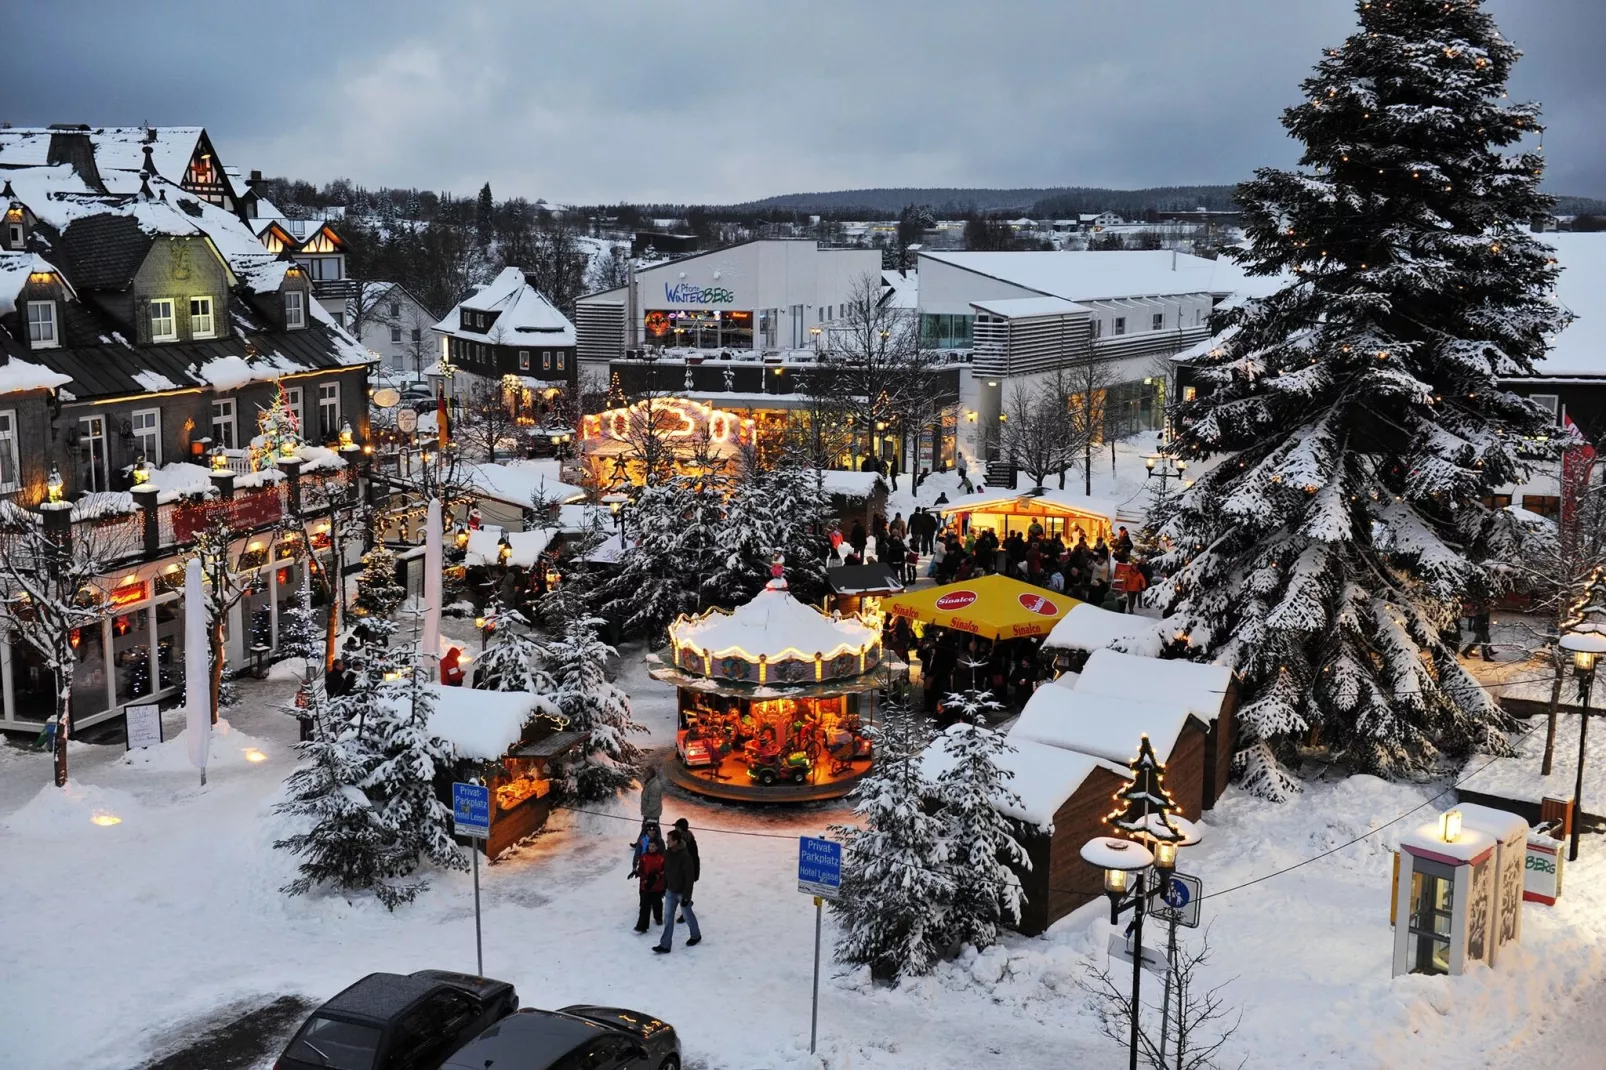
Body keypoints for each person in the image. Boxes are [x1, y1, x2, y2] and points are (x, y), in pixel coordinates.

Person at [653, 829, 702, 952]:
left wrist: (686, 896)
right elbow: (666, 871)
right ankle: (665, 945)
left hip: (681, 892)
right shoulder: (668, 853)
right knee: (668, 917)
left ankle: (696, 935)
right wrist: (664, 886)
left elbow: (689, 878)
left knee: (687, 915)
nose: (667, 842)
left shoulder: (685, 856)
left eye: (669, 840)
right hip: (670, 890)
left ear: (676, 841)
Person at [633, 836, 666, 933]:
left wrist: (657, 876)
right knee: (644, 906)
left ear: (657, 847)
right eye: (650, 846)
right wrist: (644, 878)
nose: (651, 848)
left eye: (653, 846)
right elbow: (641, 870)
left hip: (657, 887)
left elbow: (664, 871)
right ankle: (642, 926)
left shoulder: (661, 858)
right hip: (646, 886)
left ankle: (658, 918)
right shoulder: (644, 857)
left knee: (657, 903)